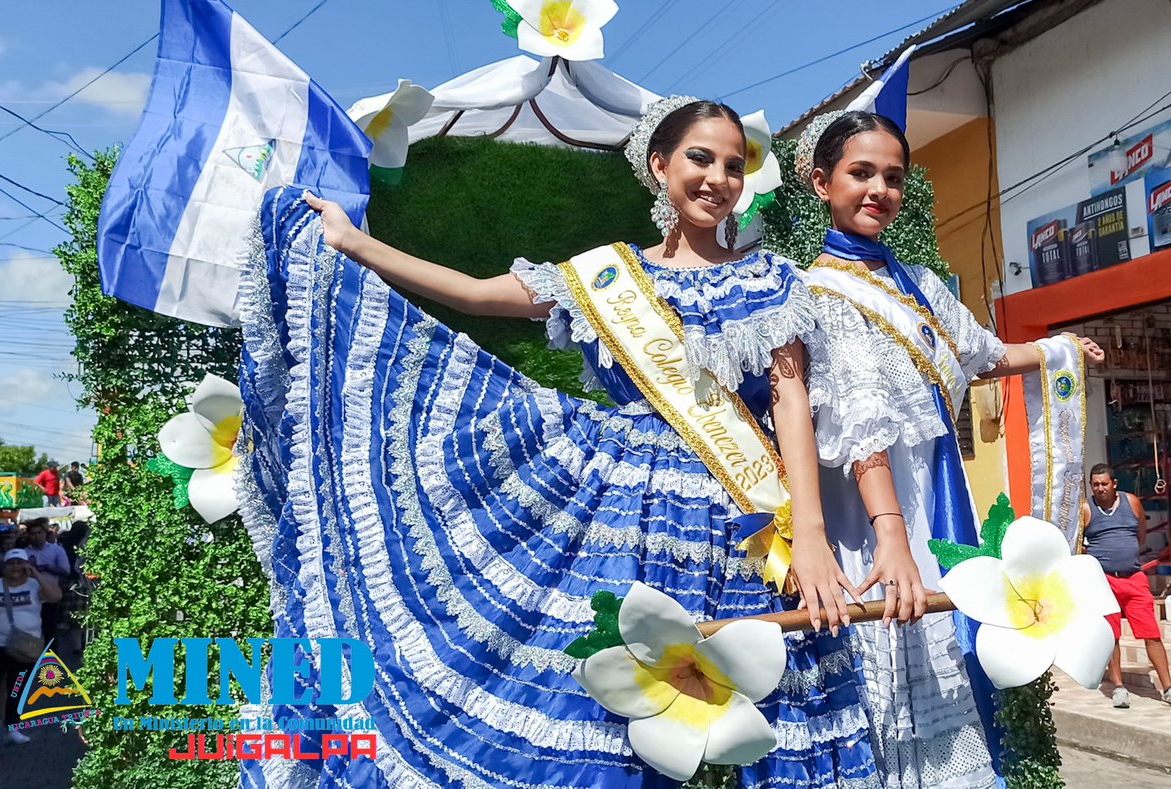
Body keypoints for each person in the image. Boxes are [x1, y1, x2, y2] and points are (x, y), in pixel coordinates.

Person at [239, 98, 881, 787]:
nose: (717, 177)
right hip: (627, 515)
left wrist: (809, 536)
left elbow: (790, 403)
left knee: (782, 705)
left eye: (732, 164)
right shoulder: (608, 274)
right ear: (660, 166)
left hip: (746, 518)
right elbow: (477, 294)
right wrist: (355, 244)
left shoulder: (771, 279)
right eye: (700, 157)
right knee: (606, 707)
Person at [798, 111, 1104, 787]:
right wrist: (892, 536)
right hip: (880, 514)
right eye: (860, 173)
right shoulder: (817, 293)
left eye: (892, 177)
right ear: (822, 183)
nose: (879, 188)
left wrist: (1058, 350)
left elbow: (983, 354)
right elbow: (859, 425)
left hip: (939, 498)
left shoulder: (922, 284)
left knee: (955, 655)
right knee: (899, 662)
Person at [1081, 463, 1171, 708]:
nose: (1100, 488)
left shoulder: (1131, 502)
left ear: (1114, 484)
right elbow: (1080, 546)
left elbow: (1140, 535)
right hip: (1104, 581)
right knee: (1112, 636)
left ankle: (1167, 687)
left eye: (1104, 483)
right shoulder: (1086, 510)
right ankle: (1119, 687)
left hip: (1133, 577)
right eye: (1095, 484)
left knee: (1151, 633)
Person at [0, 548, 62, 746]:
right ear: (4, 567)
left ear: (26, 565)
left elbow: (55, 596)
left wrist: (36, 573)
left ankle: (13, 726)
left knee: (17, 689)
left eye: (20, 563)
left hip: (25, 648)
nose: (16, 567)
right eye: (11, 563)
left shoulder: (34, 585)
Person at [21, 519, 69, 649]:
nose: (36, 536)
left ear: (45, 534)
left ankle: (50, 664)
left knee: (49, 632)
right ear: (28, 535)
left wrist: (46, 568)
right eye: (33, 533)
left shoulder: (56, 550)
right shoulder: (24, 552)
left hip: (49, 597)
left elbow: (65, 571)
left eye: (39, 533)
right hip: (29, 598)